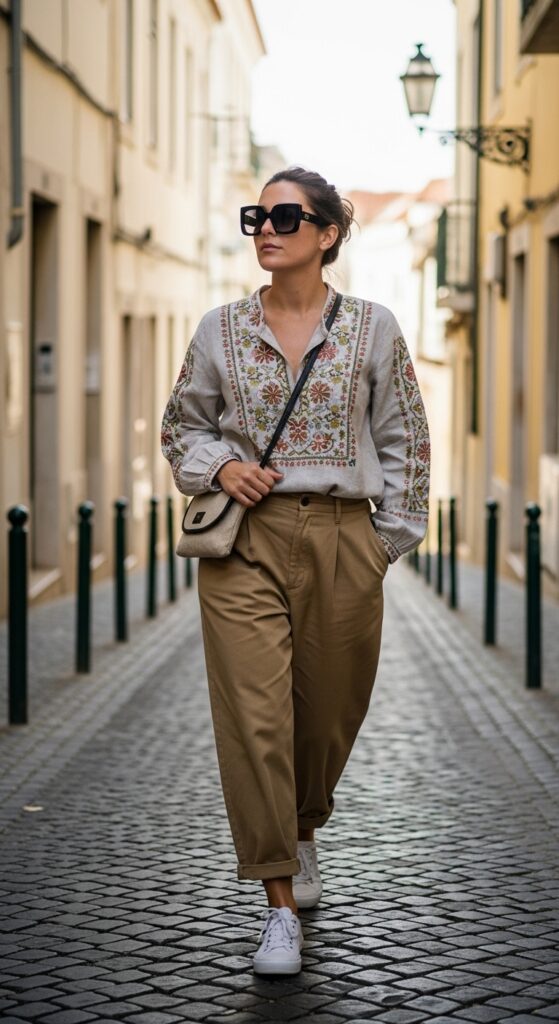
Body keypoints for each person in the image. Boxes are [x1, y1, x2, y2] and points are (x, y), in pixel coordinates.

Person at [161, 166, 430, 976]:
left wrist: (386, 542)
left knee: (326, 717)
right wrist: (219, 467)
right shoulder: (218, 329)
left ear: (326, 234)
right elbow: (181, 427)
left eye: (284, 215)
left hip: (346, 537)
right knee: (255, 718)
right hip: (244, 543)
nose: (265, 228)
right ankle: (277, 902)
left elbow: (406, 440)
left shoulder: (373, 327)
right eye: (256, 215)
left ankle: (303, 827)